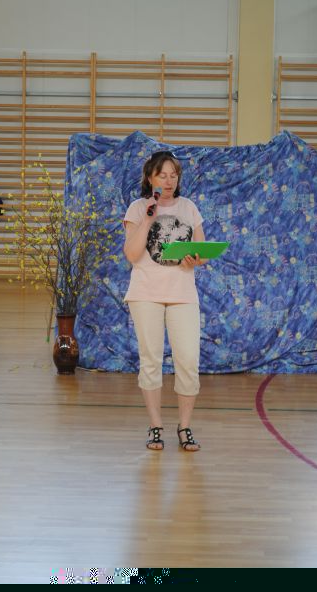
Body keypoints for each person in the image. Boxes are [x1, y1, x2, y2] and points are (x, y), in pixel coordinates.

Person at [123, 150, 206, 451]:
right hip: (145, 294)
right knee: (151, 360)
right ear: (150, 178)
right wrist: (148, 218)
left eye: (174, 175)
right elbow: (132, 255)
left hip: (183, 294)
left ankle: (184, 426)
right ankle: (155, 425)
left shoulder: (189, 207)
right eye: (162, 175)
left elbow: (201, 252)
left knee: (188, 362)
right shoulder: (137, 208)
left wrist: (195, 258)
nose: (169, 181)